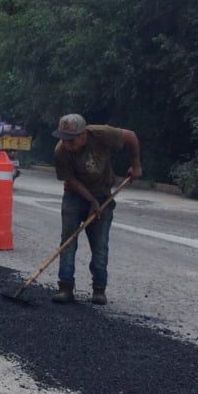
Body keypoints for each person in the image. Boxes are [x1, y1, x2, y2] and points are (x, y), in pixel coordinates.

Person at [50, 113, 143, 305]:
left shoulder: (102, 134)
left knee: (100, 245)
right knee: (68, 241)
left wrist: (135, 164)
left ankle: (99, 289)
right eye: (64, 139)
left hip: (103, 194)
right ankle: (65, 287)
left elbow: (131, 136)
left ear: (83, 134)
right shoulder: (61, 151)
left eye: (72, 140)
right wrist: (91, 201)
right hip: (75, 197)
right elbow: (71, 180)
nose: (67, 144)